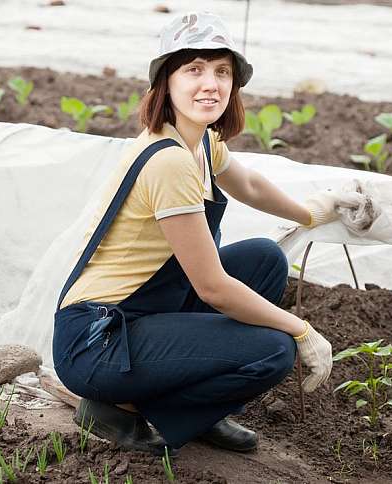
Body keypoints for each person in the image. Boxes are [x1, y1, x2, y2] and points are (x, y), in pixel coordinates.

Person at [52, 11, 346, 457]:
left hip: (142, 307)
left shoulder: (201, 140)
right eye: (194, 69)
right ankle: (125, 409)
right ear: (165, 82)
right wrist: (302, 329)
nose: (211, 83)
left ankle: (198, 410)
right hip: (98, 338)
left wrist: (309, 214)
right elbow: (212, 288)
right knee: (274, 350)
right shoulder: (167, 160)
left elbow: (247, 185)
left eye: (222, 71)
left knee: (265, 259)